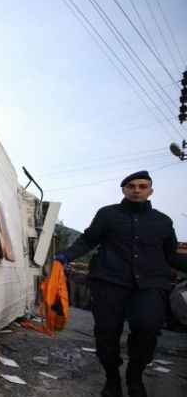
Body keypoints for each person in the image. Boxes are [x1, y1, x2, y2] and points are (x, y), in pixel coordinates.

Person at [54, 170, 186, 397]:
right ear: (124, 190)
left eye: (142, 186)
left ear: (150, 191)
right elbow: (88, 239)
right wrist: (65, 256)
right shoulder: (107, 215)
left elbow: (171, 256)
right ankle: (112, 379)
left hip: (150, 286)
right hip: (109, 282)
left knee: (147, 328)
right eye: (132, 186)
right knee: (106, 332)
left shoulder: (163, 222)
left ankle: (135, 377)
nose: (137, 190)